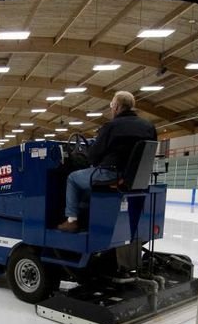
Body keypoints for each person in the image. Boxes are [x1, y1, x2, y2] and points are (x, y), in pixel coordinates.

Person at [57, 91, 157, 232]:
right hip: (136, 177)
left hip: (112, 174)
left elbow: (93, 156)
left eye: (111, 105)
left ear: (116, 106)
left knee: (73, 178)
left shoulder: (111, 126)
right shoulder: (149, 127)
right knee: (87, 179)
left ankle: (72, 220)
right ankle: (86, 214)